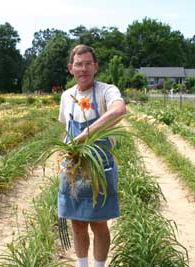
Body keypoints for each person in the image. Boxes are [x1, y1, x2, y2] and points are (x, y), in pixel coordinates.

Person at [58, 44, 126, 267]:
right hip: (73, 168)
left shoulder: (107, 91)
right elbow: (66, 128)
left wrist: (85, 135)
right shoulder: (67, 96)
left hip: (99, 167)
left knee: (98, 224)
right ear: (71, 68)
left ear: (96, 67)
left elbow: (118, 110)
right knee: (76, 223)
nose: (83, 68)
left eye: (88, 64)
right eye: (79, 64)